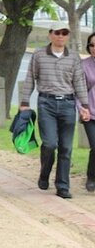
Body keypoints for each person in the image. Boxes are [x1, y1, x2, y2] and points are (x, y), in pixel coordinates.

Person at [19, 23, 90, 199]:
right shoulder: (39, 54)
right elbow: (30, 78)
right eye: (57, 33)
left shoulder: (73, 57)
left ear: (68, 36)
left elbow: (79, 82)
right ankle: (44, 173)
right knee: (50, 144)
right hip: (46, 103)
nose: (61, 36)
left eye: (64, 33)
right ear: (50, 34)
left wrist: (85, 106)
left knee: (66, 147)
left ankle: (63, 186)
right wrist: (25, 102)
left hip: (67, 104)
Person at [80, 32, 95, 193]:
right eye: (92, 45)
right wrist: (81, 109)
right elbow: (78, 91)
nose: (94, 48)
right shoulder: (83, 65)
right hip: (90, 113)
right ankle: (91, 177)